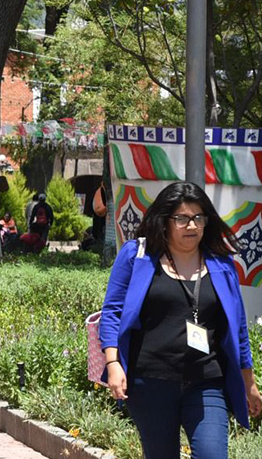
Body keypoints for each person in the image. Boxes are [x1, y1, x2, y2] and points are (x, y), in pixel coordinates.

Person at [100, 181, 262, 458]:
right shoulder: (137, 256)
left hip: (206, 380)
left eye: (199, 218)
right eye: (183, 219)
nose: (192, 226)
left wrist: (249, 381)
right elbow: (112, 313)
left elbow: (238, 328)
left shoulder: (222, 265)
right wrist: (113, 363)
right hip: (150, 381)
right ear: (165, 221)